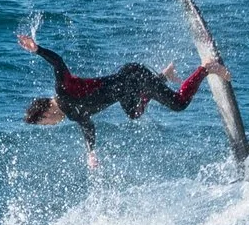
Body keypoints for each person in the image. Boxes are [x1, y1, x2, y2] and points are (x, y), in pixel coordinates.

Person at [19, 20, 224, 167]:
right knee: (134, 113)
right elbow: (88, 126)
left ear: (45, 114)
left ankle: (206, 68)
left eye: (44, 124)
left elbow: (58, 62)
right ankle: (164, 75)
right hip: (128, 92)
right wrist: (91, 152)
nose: (50, 125)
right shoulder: (72, 113)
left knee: (179, 103)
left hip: (134, 77)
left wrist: (37, 50)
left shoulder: (63, 91)